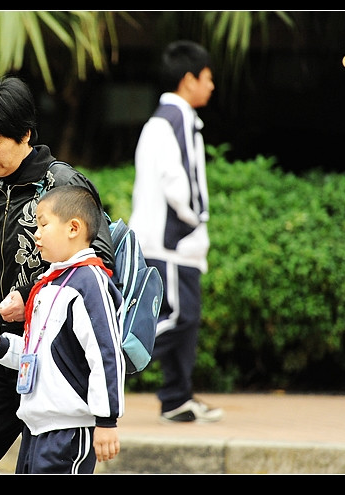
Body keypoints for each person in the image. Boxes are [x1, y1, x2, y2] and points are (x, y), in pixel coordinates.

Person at [0, 76, 116, 473]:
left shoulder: (63, 183)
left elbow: (99, 258)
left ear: (24, 134)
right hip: (8, 353)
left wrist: (31, 293)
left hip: (58, 359)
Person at [0, 185, 125, 474]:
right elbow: (39, 356)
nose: (36, 234)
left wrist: (106, 420)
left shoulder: (89, 282)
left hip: (70, 428)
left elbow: (106, 354)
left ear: (73, 228)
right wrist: (0, 345)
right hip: (37, 426)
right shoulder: (48, 284)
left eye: (42, 224)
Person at [129, 40, 223, 423]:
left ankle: (176, 398)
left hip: (168, 242)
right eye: (208, 77)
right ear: (189, 80)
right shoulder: (177, 116)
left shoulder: (164, 117)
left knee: (186, 319)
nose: (212, 85)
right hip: (172, 243)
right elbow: (178, 180)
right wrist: (193, 219)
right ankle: (109, 357)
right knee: (178, 319)